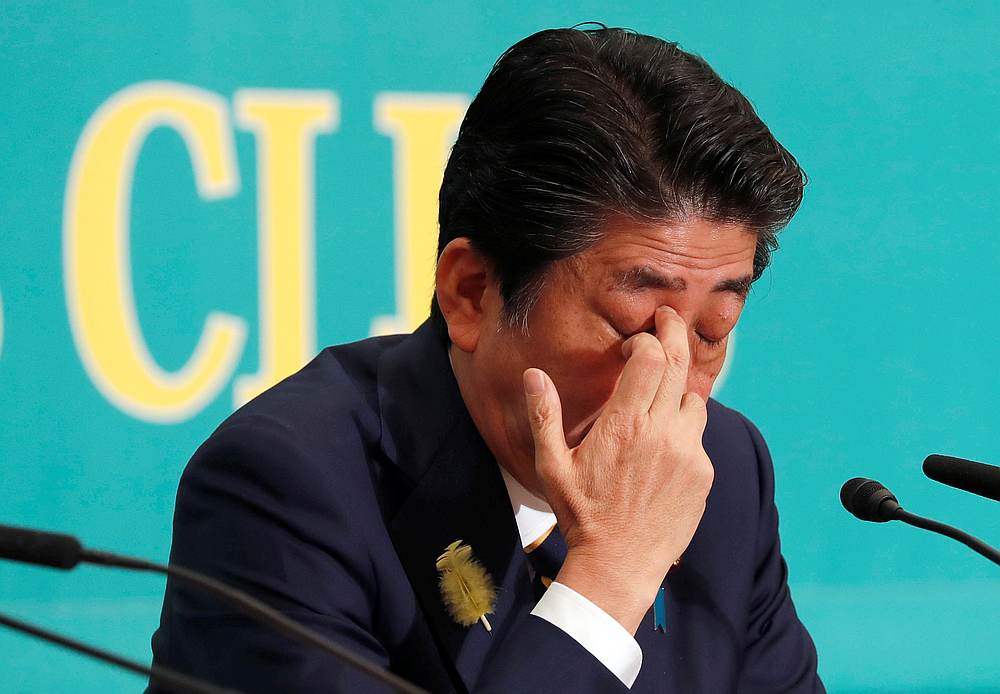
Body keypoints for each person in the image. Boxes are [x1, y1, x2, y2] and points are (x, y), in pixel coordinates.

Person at [150, 26, 823, 693]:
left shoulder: (724, 470)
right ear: (472, 293)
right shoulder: (288, 487)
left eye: (712, 329)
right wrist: (611, 573)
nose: (667, 380)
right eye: (630, 327)